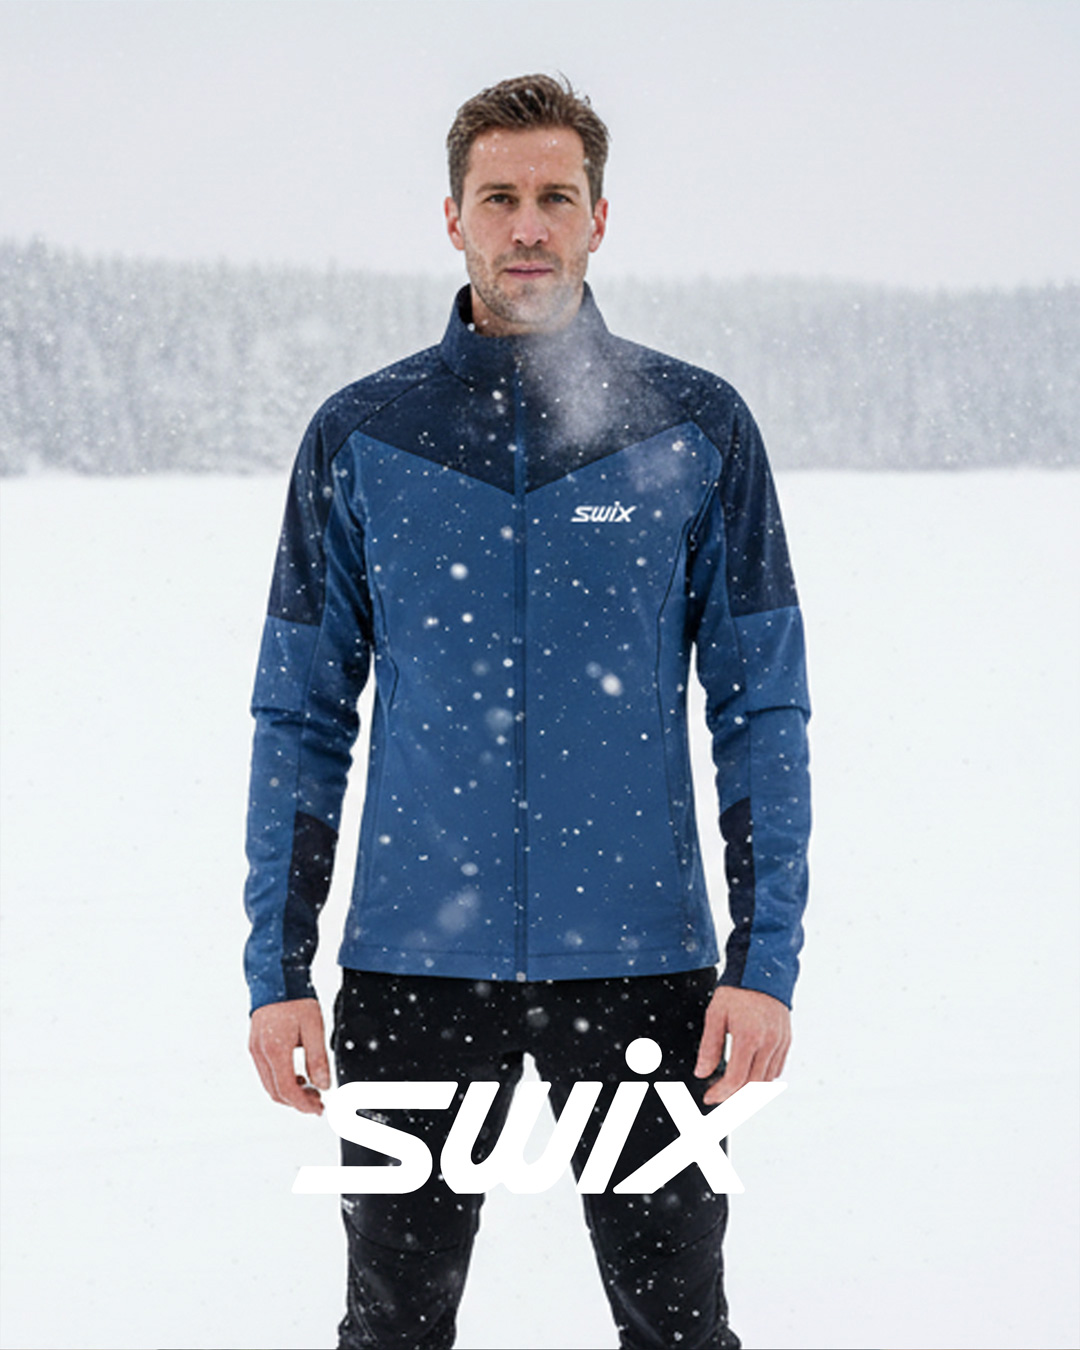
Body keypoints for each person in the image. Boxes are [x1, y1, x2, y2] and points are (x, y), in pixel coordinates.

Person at [244, 73, 810, 1350]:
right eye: (499, 197)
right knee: (392, 1331)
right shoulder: (363, 435)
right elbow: (300, 716)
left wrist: (762, 967)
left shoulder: (694, 427)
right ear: (453, 217)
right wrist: (278, 975)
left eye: (557, 196)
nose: (529, 227)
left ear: (600, 217)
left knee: (680, 1332)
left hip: (647, 976)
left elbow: (763, 709)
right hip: (411, 976)